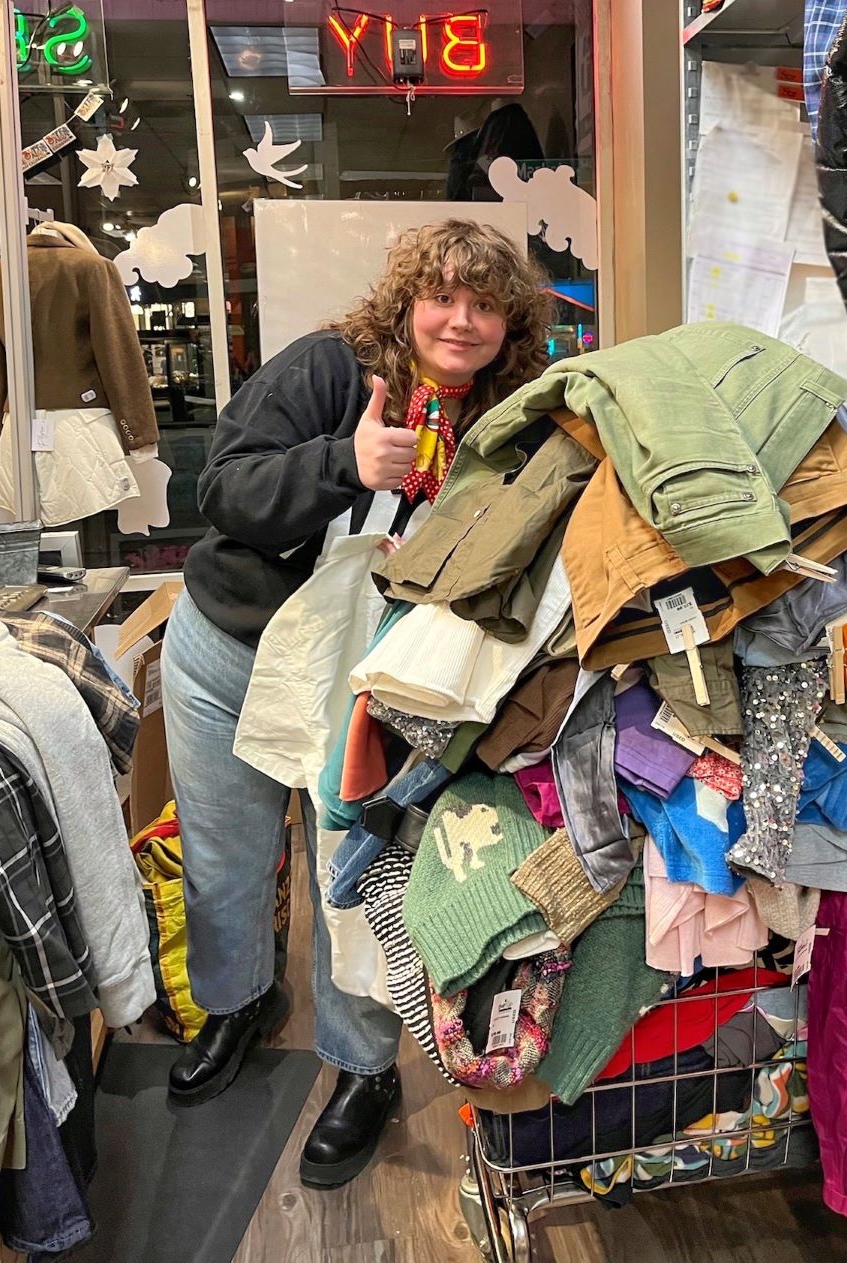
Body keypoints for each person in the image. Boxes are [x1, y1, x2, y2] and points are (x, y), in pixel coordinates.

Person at [160, 219, 553, 1188]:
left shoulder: (508, 421)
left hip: (364, 683)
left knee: (357, 872)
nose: (459, 321)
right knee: (224, 860)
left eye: (483, 303)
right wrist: (347, 464)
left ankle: (362, 1071)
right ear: (407, 300)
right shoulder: (331, 372)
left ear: (509, 322)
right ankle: (237, 1002)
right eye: (442, 297)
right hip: (229, 652)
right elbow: (224, 488)